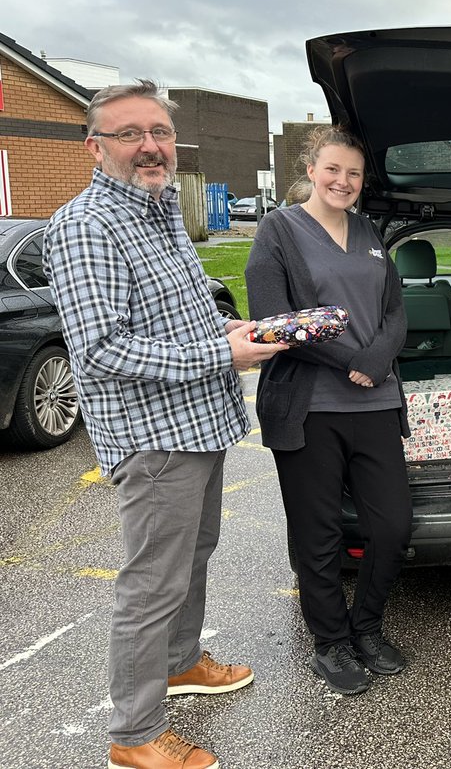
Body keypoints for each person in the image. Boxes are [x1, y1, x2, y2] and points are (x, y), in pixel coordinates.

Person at [43, 80, 288, 769]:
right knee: (152, 583)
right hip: (155, 439)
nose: (150, 146)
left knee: (192, 558)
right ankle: (135, 735)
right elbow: (103, 349)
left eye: (159, 132)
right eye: (130, 134)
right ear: (95, 147)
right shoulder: (88, 224)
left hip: (201, 422)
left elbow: (179, 314)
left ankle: (181, 664)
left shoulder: (159, 210)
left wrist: (229, 328)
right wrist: (224, 352)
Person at [245, 125, 412, 697]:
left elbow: (395, 312)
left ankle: (366, 627)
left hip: (376, 401)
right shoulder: (278, 231)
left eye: (355, 174)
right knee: (318, 536)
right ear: (311, 169)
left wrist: (377, 356)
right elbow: (273, 319)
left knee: (392, 525)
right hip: (309, 406)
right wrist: (351, 362)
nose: (344, 182)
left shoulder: (370, 231)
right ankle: (331, 643)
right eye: (333, 170)